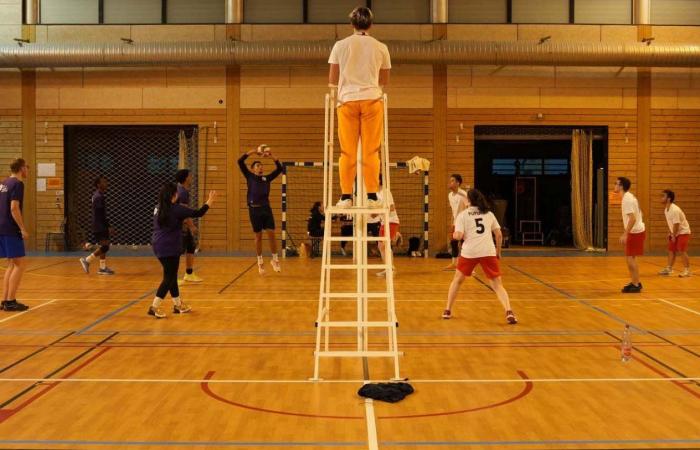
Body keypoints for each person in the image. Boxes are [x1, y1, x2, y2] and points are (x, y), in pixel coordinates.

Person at [328, 6, 391, 208]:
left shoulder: (340, 45)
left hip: (346, 101)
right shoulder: (381, 47)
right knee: (371, 151)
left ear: (351, 24)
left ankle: (346, 196)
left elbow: (332, 79)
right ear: (371, 24)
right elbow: (384, 79)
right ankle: (372, 195)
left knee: (347, 151)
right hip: (372, 100)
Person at [443, 189, 516, 325]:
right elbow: (499, 235)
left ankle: (447, 310)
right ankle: (509, 311)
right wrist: (498, 251)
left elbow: (458, 236)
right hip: (487, 251)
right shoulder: (489, 214)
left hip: (470, 252)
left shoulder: (463, 215)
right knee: (497, 285)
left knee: (457, 280)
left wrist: (453, 235)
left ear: (468, 201)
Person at [149, 183, 216, 319]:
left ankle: (178, 304)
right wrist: (209, 201)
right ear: (173, 195)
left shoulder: (158, 208)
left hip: (158, 244)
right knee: (168, 278)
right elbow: (198, 213)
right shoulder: (176, 209)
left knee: (171, 275)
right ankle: (154, 307)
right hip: (169, 246)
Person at [238, 144, 283, 274]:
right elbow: (240, 161)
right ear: (252, 169)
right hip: (254, 210)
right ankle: (260, 261)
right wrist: (253, 151)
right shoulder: (249, 176)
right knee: (258, 237)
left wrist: (271, 156)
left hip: (266, 209)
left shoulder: (267, 178)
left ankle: (275, 259)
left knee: (271, 234)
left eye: (261, 165)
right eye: (257, 165)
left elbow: (279, 168)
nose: (260, 167)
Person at [0, 159, 30, 312]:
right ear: (21, 168)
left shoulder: (3, 183)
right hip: (11, 229)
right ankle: (11, 301)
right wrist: (22, 228)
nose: (27, 170)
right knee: (20, 264)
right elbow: (14, 208)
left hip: (2, 227)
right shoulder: (18, 184)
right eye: (27, 167)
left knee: (12, 264)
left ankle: (5, 300)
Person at [614, 177, 645, 293]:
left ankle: (636, 284)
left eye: (616, 184)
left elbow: (632, 218)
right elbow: (639, 212)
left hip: (634, 232)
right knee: (630, 258)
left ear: (621, 186)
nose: (614, 186)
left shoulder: (627, 199)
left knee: (630, 259)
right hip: (636, 231)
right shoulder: (628, 197)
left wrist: (625, 234)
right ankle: (635, 282)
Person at [79, 175, 115, 275]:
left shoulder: (98, 195)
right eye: (103, 182)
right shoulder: (98, 197)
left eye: (106, 181)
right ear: (98, 185)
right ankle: (87, 260)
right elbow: (101, 214)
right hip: (99, 225)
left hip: (99, 224)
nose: (106, 183)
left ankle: (102, 268)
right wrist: (108, 226)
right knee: (105, 247)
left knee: (104, 245)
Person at [175, 169, 203, 283]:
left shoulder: (183, 190)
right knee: (177, 252)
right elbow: (183, 212)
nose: (192, 177)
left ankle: (189, 274)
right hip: (179, 227)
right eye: (190, 175)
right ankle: (173, 278)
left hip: (184, 225)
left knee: (191, 247)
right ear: (186, 178)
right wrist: (191, 226)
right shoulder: (182, 192)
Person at [658, 189, 691, 277]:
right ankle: (669, 268)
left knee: (681, 250)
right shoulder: (666, 209)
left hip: (683, 232)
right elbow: (671, 223)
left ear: (668, 199)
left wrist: (673, 235)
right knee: (671, 250)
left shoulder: (675, 210)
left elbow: (676, 224)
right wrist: (670, 232)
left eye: (663, 196)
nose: (661, 198)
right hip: (675, 232)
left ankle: (687, 271)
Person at [375, 177, 400, 278]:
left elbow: (392, 207)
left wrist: (379, 212)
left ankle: (391, 269)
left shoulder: (385, 191)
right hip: (383, 222)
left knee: (384, 245)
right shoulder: (375, 194)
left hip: (391, 221)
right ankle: (388, 268)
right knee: (381, 246)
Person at [446, 174, 468, 270]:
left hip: (464, 223)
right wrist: (452, 222)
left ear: (458, 183)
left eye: (452, 181)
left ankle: (466, 265)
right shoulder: (450, 195)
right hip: (455, 223)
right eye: (450, 180)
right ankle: (454, 263)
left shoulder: (463, 194)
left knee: (464, 244)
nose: (450, 182)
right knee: (453, 243)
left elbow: (469, 208)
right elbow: (453, 210)